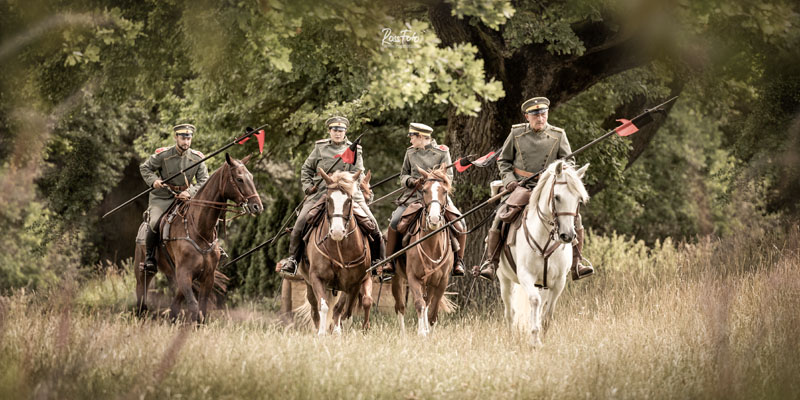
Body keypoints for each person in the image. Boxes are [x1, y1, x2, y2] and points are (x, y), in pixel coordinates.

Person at [473, 97, 594, 281]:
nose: (540, 118)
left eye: (543, 114)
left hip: (549, 187)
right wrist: (510, 181)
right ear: (527, 116)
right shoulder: (516, 133)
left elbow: (569, 161)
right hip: (522, 186)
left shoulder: (558, 135)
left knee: (575, 216)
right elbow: (503, 161)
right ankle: (491, 262)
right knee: (501, 215)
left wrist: (561, 172)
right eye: (536, 115)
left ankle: (577, 263)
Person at [280, 116, 384, 275]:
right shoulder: (320, 148)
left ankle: (379, 262)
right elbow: (306, 170)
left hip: (349, 195)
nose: (338, 133)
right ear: (329, 131)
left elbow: (360, 173)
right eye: (335, 130)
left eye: (341, 130)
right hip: (321, 193)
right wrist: (308, 187)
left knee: (373, 225)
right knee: (299, 224)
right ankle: (293, 260)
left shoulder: (355, 149)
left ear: (345, 132)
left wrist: (360, 188)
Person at [381, 122, 467, 277]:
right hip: (414, 198)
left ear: (421, 137)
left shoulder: (442, 152)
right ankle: (389, 261)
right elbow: (403, 175)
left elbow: (449, 177)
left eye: (412, 137)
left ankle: (458, 262)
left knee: (461, 223)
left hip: (437, 197)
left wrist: (430, 180)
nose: (410, 141)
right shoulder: (410, 152)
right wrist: (411, 182)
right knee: (394, 221)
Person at [139, 123, 209, 273]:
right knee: (155, 222)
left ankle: (213, 250)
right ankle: (150, 258)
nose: (186, 142)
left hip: (186, 199)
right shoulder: (164, 155)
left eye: (189, 138)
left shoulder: (197, 158)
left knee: (204, 218)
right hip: (162, 197)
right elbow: (145, 168)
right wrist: (154, 181)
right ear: (175, 137)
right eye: (183, 138)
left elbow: (204, 180)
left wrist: (190, 192)